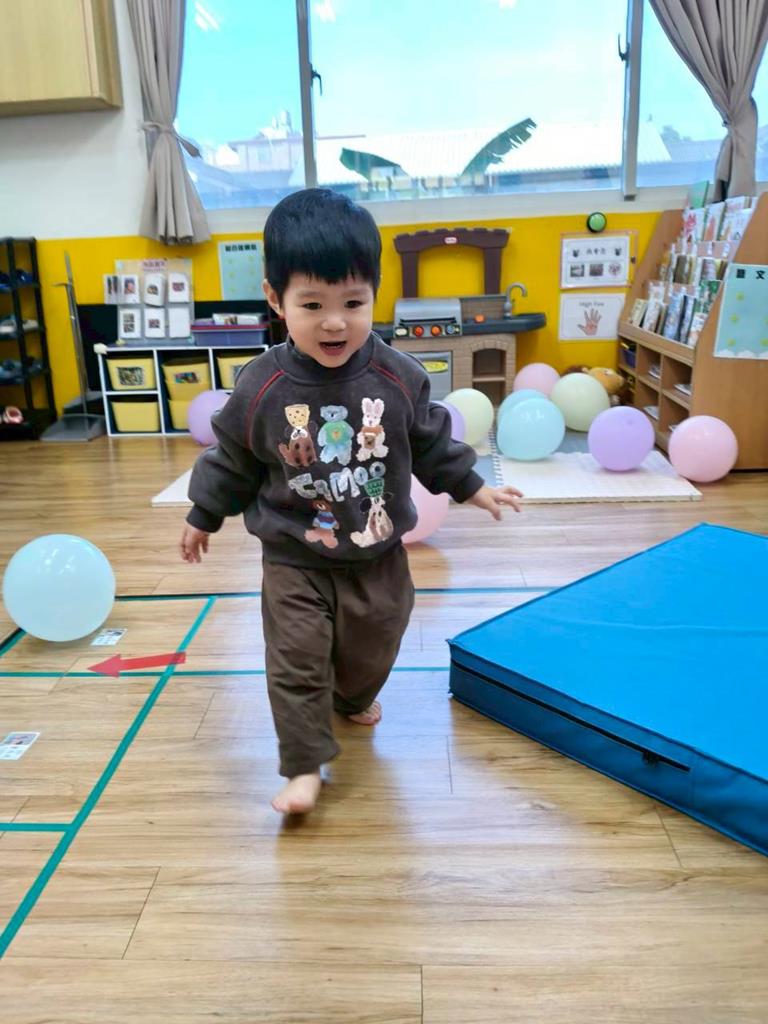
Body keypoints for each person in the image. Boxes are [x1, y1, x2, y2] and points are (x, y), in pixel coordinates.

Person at [179, 188, 522, 814]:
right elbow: (230, 458)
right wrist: (204, 514)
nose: (334, 322)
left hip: (377, 551)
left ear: (374, 295)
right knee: (296, 659)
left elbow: (430, 439)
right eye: (312, 305)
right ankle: (303, 765)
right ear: (275, 299)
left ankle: (353, 696)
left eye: (353, 303)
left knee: (377, 640)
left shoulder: (398, 376)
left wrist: (473, 485)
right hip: (295, 555)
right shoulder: (261, 386)